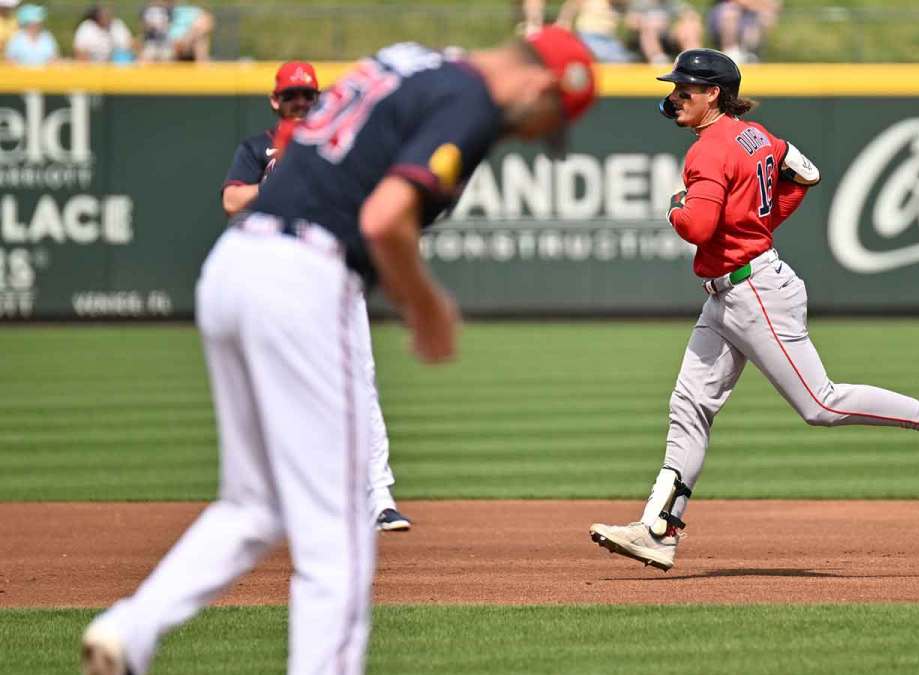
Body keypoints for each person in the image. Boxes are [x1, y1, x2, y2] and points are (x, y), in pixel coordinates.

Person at [80, 27, 596, 675]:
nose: (530, 134)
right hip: (304, 276)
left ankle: (129, 630)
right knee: (340, 527)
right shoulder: (474, 101)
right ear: (543, 86)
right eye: (546, 120)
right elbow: (385, 216)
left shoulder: (410, 59)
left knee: (252, 504)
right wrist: (425, 305)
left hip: (235, 266)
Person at [588, 49, 919, 572]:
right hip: (731, 292)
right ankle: (658, 529)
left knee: (820, 403)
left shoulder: (709, 151)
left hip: (753, 293)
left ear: (713, 94)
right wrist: (761, 225)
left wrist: (674, 206)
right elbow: (804, 173)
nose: (674, 95)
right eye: (674, 87)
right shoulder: (754, 135)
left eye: (685, 88)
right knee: (690, 406)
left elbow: (698, 228)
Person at [220, 60, 414, 533]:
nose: (300, 104)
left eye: (308, 96)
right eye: (292, 96)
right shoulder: (256, 148)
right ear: (276, 100)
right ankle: (287, 497)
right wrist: (271, 182)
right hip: (274, 279)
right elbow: (230, 201)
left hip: (335, 272)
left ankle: (379, 495)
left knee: (360, 380)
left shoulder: (337, 147)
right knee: (278, 384)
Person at [554, 0, 635, 63]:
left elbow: (630, 20)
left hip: (609, 39)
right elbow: (571, 6)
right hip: (589, 36)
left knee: (623, 58)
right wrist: (564, 22)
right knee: (611, 58)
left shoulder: (619, 5)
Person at [627, 0, 702, 64]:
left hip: (670, 36)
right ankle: (658, 60)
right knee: (649, 28)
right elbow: (631, 23)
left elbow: (692, 16)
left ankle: (694, 60)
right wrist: (649, 23)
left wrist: (685, 22)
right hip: (648, 37)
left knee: (688, 27)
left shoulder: (672, 3)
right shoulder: (640, 4)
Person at [707, 0, 778, 63]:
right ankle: (730, 53)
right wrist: (760, 5)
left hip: (749, 14)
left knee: (766, 16)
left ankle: (751, 53)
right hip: (722, 15)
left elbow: (774, 4)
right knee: (730, 12)